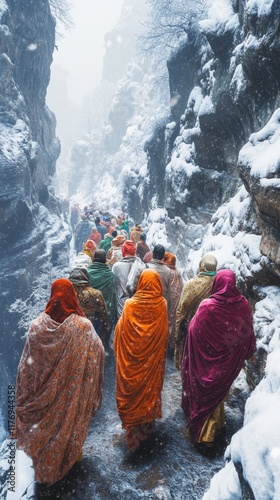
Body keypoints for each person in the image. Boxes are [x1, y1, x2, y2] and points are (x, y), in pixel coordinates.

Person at [15, 278, 104, 485]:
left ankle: (44, 467)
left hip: (40, 403)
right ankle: (68, 458)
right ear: (72, 297)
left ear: (52, 297)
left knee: (41, 434)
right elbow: (98, 351)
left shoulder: (36, 327)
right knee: (69, 421)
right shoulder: (83, 327)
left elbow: (25, 370)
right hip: (70, 400)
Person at [181, 269, 256, 448]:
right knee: (219, 394)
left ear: (217, 284)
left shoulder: (207, 306)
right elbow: (246, 332)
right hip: (226, 363)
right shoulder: (243, 305)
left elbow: (193, 330)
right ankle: (215, 427)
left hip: (204, 362)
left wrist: (200, 350)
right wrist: (232, 349)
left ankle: (205, 436)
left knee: (203, 396)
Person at [114, 269, 169, 452]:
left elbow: (120, 331)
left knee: (133, 394)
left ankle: (133, 434)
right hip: (151, 361)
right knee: (149, 391)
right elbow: (164, 334)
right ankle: (146, 426)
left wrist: (125, 349)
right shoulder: (162, 304)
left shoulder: (130, 305)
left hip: (132, 362)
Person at [174, 253, 217, 370]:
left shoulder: (191, 285)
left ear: (201, 265)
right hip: (210, 331)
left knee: (191, 361)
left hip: (191, 329)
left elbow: (181, 308)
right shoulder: (218, 284)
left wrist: (177, 332)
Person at [69, 268, 110, 344]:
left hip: (70, 335)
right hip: (90, 332)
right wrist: (105, 335)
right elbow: (104, 316)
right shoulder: (96, 294)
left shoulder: (66, 294)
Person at [88, 249, 117, 338]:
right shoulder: (110, 275)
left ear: (93, 259)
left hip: (90, 312)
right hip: (105, 312)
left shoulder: (87, 273)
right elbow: (112, 296)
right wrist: (113, 317)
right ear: (105, 260)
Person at [163, 252, 183, 351]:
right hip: (176, 300)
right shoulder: (178, 272)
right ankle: (172, 343)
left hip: (167, 300)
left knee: (166, 320)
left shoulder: (167, 271)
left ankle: (165, 342)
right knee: (173, 320)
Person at [112, 240, 137, 318]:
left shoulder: (117, 267)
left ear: (123, 251)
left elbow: (113, 286)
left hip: (121, 307)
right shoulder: (140, 266)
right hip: (136, 308)